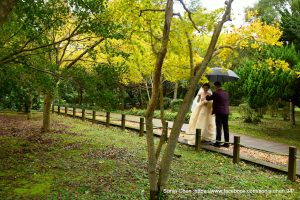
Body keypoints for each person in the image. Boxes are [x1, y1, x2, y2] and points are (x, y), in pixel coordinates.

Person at [206, 82, 230, 148]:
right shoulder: (226, 93)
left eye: (214, 86)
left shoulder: (216, 93)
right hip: (226, 111)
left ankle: (218, 143)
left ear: (216, 87)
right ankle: (227, 143)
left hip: (219, 112)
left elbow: (208, 98)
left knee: (219, 127)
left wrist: (207, 95)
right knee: (226, 128)